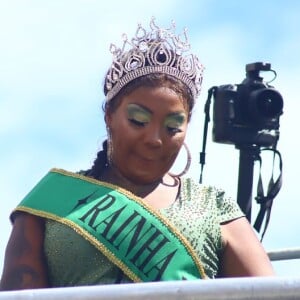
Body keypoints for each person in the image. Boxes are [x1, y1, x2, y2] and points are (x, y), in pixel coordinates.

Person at [0, 17, 275, 291]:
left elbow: (272, 296)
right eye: (138, 121)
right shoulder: (53, 200)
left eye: (172, 127)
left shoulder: (214, 208)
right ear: (109, 115)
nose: (154, 139)